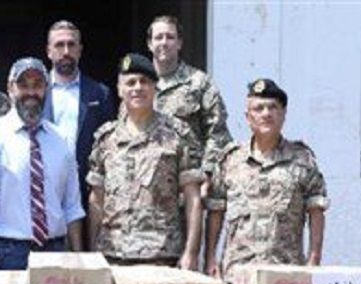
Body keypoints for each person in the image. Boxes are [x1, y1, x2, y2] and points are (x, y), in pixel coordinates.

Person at [0, 57, 85, 274]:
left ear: (46, 89)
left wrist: (79, 259)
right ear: (10, 89)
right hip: (9, 253)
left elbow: (72, 206)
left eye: (37, 85)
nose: (31, 92)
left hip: (56, 251)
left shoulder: (62, 140)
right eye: (23, 85)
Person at [204, 78, 328, 282]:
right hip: (237, 273)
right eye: (258, 108)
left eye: (273, 107)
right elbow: (216, 211)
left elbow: (316, 210)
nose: (266, 114)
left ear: (284, 114)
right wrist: (210, 259)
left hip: (286, 273)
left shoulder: (302, 159)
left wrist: (314, 260)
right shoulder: (230, 160)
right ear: (247, 117)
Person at [87, 54, 203, 269]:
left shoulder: (178, 134)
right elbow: (97, 199)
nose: (137, 88)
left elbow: (193, 198)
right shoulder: (106, 138)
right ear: (119, 90)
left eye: (144, 82)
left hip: (162, 254)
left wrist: (191, 252)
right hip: (113, 255)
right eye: (130, 82)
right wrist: (92, 251)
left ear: (155, 88)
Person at [147, 15, 232, 194]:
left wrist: (207, 172)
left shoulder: (199, 83)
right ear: (149, 44)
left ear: (179, 43)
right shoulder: (138, 86)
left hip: (188, 187)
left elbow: (218, 133)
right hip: (148, 188)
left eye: (170, 37)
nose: (164, 43)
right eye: (158, 37)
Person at [42, 20, 116, 215]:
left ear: (80, 50)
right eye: (59, 45)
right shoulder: (35, 93)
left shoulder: (100, 94)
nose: (66, 51)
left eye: (71, 44)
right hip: (43, 192)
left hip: (87, 195)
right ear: (49, 51)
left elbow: (110, 146)